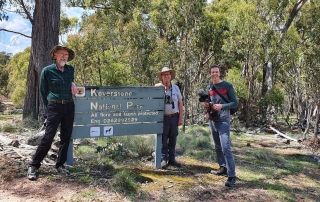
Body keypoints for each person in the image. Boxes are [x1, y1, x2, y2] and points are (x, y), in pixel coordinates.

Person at [27, 45, 78, 180]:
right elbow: (43, 92)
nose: (63, 56)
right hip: (54, 107)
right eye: (61, 54)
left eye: (66, 55)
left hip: (69, 106)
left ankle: (60, 165)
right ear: (55, 55)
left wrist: (73, 83)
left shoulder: (70, 70)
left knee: (66, 137)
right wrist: (50, 106)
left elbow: (69, 82)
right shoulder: (47, 71)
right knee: (48, 137)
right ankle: (34, 165)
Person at [204, 64, 238, 187]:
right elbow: (209, 102)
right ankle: (222, 167)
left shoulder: (227, 86)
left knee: (225, 147)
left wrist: (222, 106)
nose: (215, 74)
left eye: (216, 72)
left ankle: (232, 176)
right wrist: (207, 107)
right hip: (213, 119)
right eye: (212, 72)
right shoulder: (209, 87)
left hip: (223, 119)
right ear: (210, 74)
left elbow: (235, 102)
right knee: (217, 146)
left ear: (220, 73)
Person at [155, 67, 183, 169]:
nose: (167, 77)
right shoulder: (158, 88)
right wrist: (156, 86)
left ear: (171, 76)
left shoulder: (176, 88)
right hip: (163, 118)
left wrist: (180, 118)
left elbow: (180, 103)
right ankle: (163, 159)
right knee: (163, 139)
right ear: (161, 77)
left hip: (174, 117)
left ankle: (172, 159)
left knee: (173, 138)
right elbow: (150, 98)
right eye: (164, 75)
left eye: (168, 75)